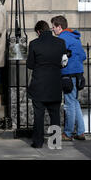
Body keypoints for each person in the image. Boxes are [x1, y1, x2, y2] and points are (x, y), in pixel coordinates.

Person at [26, 20, 67, 148]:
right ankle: (55, 142)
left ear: (38, 31)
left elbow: (30, 65)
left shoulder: (34, 44)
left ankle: (38, 142)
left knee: (39, 115)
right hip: (55, 83)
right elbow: (63, 62)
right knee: (55, 114)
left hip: (39, 84)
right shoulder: (60, 42)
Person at [51, 15, 87, 141]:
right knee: (75, 103)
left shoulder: (62, 38)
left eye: (53, 27)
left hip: (68, 75)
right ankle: (81, 132)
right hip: (79, 75)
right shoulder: (75, 38)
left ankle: (68, 133)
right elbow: (83, 56)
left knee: (69, 104)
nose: (53, 30)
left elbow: (56, 56)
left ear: (59, 27)